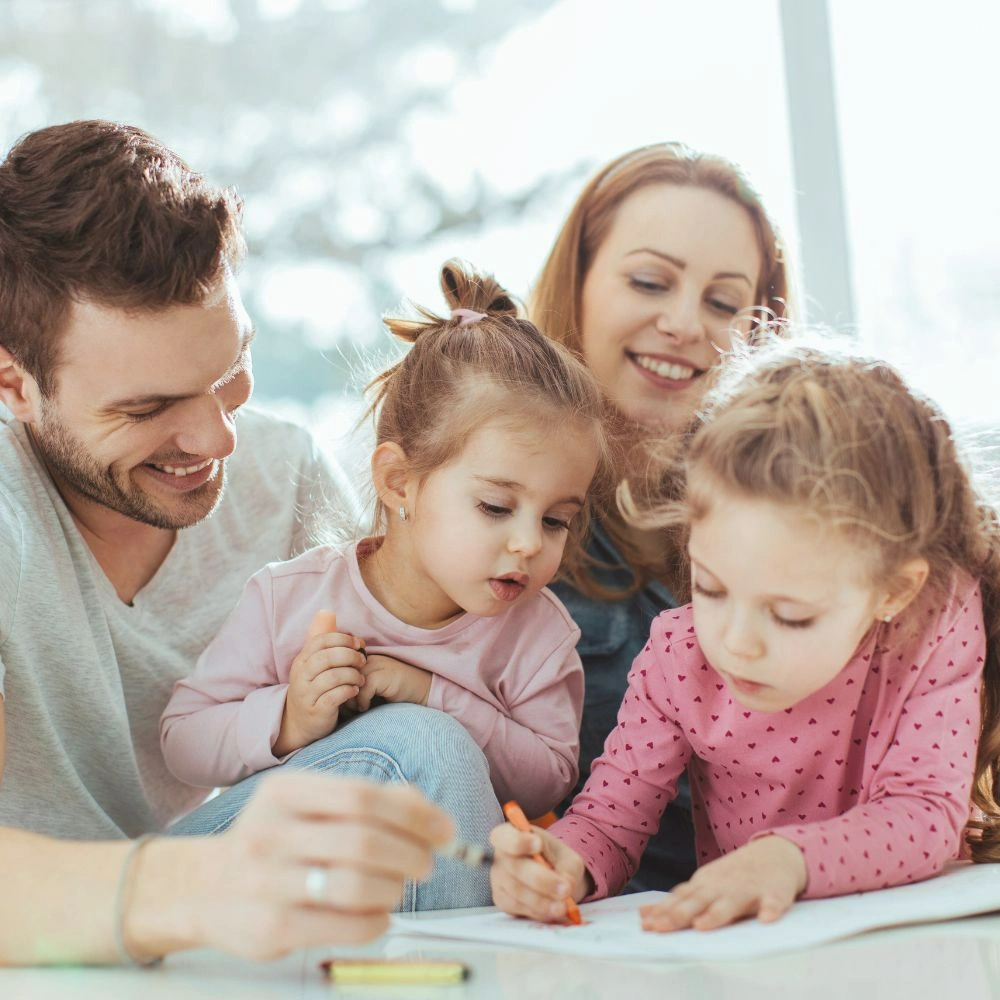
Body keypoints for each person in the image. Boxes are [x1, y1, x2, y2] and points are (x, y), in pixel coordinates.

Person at [0, 120, 496, 965]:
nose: (217, 439)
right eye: (148, 409)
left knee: (422, 747)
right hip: (45, 925)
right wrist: (196, 889)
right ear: (14, 384)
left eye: (230, 372)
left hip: (208, 902)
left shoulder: (282, 474)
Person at [489, 339, 1000, 931]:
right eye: (711, 588)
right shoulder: (679, 654)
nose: (736, 642)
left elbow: (924, 814)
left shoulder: (932, 624)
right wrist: (560, 863)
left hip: (914, 947)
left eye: (790, 615)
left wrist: (786, 860)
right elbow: (609, 822)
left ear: (894, 592)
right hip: (755, 955)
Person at [161, 260, 608, 825]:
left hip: (431, 880)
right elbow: (183, 742)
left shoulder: (538, 635)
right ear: (400, 481)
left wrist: (432, 697)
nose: (527, 543)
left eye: (555, 521)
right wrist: (290, 718)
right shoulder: (289, 598)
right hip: (280, 873)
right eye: (496, 507)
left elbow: (549, 783)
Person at [528, 141, 793, 890]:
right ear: (576, 281)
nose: (683, 324)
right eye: (650, 281)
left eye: (721, 302)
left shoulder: (798, 519)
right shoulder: (485, 509)